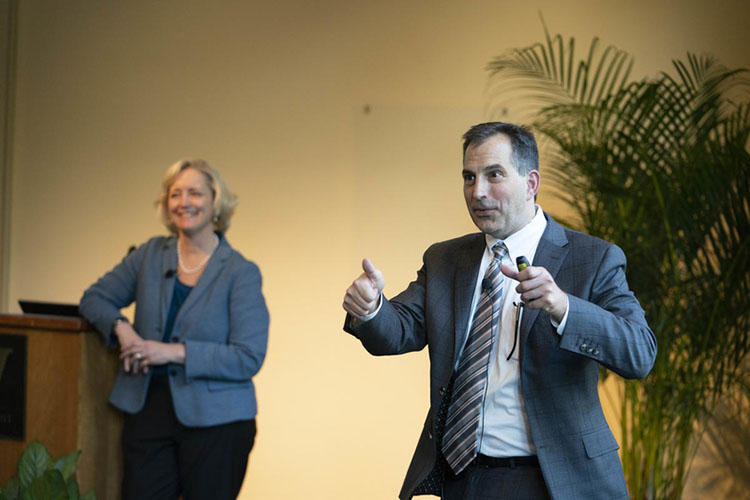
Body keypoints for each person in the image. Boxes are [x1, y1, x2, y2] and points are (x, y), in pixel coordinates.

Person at [342, 122, 657, 500]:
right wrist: (371, 308)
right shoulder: (445, 258)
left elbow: (639, 353)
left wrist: (563, 306)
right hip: (462, 477)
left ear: (531, 182)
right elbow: (398, 330)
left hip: (551, 480)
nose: (478, 192)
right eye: (469, 177)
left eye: (494, 175)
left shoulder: (592, 258)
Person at [80, 159, 269, 500]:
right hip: (148, 408)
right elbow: (95, 298)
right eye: (175, 193)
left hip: (219, 424)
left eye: (195, 193)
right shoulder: (150, 254)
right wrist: (123, 329)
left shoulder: (241, 272)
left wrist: (169, 352)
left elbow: (248, 356)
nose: (184, 201)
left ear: (216, 202)